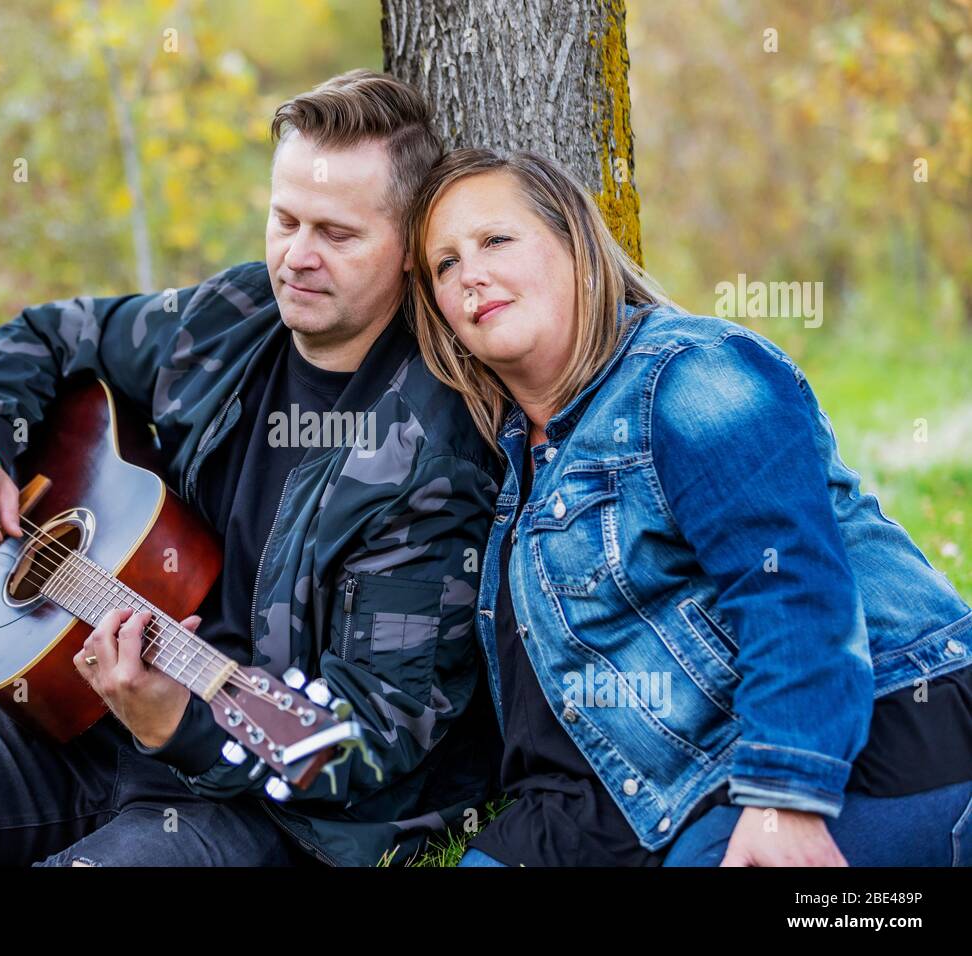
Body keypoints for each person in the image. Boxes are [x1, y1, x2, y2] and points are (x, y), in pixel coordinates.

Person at [0, 71, 502, 868]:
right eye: (284, 221)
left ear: (408, 250)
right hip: (80, 716)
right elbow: (42, 335)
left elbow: (372, 739)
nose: (296, 257)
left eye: (337, 234)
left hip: (262, 811)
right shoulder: (230, 318)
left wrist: (178, 723)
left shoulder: (427, 463)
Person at [404, 147, 972, 867]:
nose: (470, 274)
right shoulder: (516, 468)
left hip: (867, 745)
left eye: (495, 240)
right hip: (636, 798)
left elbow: (789, 586)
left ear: (575, 246)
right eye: (445, 264)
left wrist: (785, 796)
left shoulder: (688, 374)